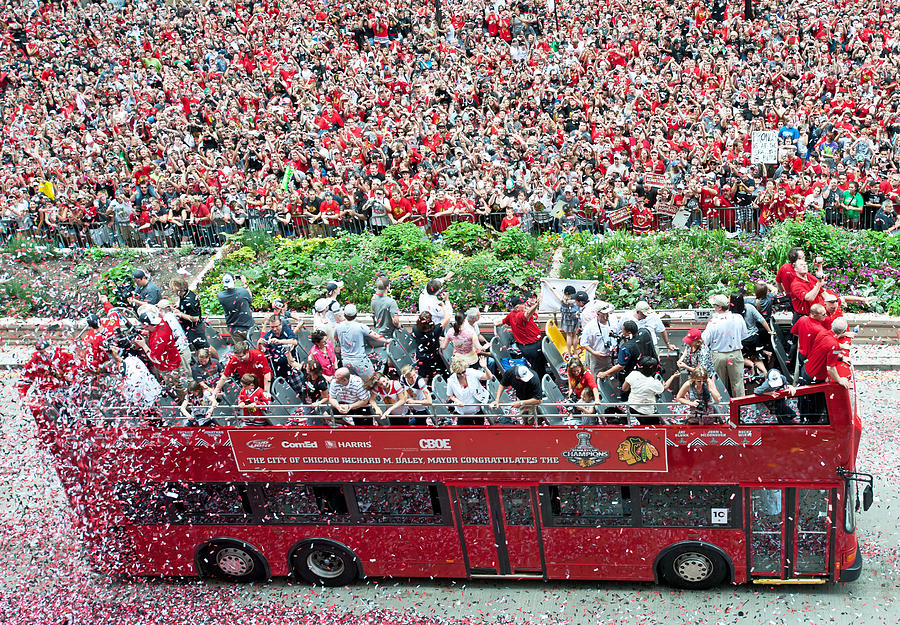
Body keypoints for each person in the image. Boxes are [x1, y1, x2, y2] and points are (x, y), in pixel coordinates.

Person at [133, 304, 185, 402]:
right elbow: (154, 330)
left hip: (168, 367)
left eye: (144, 326)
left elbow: (153, 358)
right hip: (173, 357)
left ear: (147, 325)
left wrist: (143, 345)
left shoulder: (158, 340)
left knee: (175, 387)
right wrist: (147, 332)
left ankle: (185, 406)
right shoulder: (161, 323)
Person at [702, 294, 749, 398]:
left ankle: (723, 409)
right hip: (735, 354)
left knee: (719, 385)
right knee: (738, 384)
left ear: (719, 307)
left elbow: (705, 340)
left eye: (714, 305)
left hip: (718, 356)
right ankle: (740, 409)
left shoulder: (713, 322)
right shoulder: (738, 318)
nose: (713, 307)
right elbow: (744, 335)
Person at [334, 303, 391, 380]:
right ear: (356, 314)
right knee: (371, 381)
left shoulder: (338, 326)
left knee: (352, 382)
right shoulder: (360, 326)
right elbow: (376, 336)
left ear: (344, 315)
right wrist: (387, 341)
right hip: (359, 360)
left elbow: (336, 338)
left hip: (346, 361)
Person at [499, 294, 547, 379]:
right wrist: (536, 304)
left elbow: (501, 322)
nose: (525, 304)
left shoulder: (511, 314)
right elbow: (528, 313)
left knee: (540, 365)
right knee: (537, 368)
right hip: (531, 347)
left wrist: (533, 306)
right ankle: (539, 385)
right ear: (517, 307)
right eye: (523, 304)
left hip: (530, 345)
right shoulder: (519, 315)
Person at [730, 292, 775, 376]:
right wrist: (769, 331)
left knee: (737, 358)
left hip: (742, 341)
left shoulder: (730, 314)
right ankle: (765, 373)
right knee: (756, 357)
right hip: (754, 338)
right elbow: (761, 320)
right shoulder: (750, 307)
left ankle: (751, 365)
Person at [258, 313, 303, 393]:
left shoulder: (286, 331)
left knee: (300, 389)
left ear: (281, 324)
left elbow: (294, 341)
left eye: (276, 326)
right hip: (278, 369)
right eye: (272, 327)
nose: (275, 329)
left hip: (292, 366)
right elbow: (262, 350)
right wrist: (260, 344)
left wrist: (279, 341)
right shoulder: (269, 335)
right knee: (284, 392)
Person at [446, 354, 493, 425]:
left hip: (478, 408)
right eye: (459, 373)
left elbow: (489, 377)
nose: (462, 375)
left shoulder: (471, 372)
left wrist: (485, 367)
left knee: (479, 429)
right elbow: (450, 395)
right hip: (463, 411)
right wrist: (457, 401)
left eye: (463, 372)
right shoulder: (451, 380)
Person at [169, 277, 211, 353]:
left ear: (178, 289)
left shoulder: (190, 300)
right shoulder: (184, 295)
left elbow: (195, 318)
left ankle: (217, 361)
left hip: (195, 328)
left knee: (205, 347)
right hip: (189, 327)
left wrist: (180, 314)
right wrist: (178, 308)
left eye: (173, 288)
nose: (172, 290)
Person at [579, 299, 617, 378]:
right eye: (604, 314)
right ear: (598, 314)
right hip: (598, 358)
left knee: (612, 376)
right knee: (596, 377)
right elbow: (583, 343)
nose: (607, 316)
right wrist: (594, 353)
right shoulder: (590, 326)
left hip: (612, 356)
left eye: (608, 313)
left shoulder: (613, 320)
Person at [542, 281, 580, 359]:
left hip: (566, 320)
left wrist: (546, 282)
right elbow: (585, 292)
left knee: (569, 336)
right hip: (574, 320)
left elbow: (553, 291)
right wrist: (592, 284)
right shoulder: (575, 301)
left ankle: (569, 353)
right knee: (575, 335)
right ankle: (575, 352)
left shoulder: (563, 300)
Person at [622, 356, 665, 425]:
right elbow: (662, 389)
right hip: (646, 412)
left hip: (632, 407)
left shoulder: (633, 374)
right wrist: (672, 377)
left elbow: (624, 388)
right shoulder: (654, 383)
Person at [413, 309, 450, 382]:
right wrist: (443, 305)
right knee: (438, 374)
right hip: (434, 358)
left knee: (424, 377)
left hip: (421, 357)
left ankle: (424, 391)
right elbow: (447, 318)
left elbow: (425, 337)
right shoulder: (436, 330)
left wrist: (437, 337)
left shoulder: (415, 329)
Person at [157, 299, 192, 374]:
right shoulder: (174, 315)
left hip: (180, 348)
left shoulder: (166, 320)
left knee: (187, 372)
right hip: (184, 344)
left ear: (161, 309)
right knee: (188, 368)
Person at [217, 273, 255, 340]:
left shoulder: (220, 296)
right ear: (234, 282)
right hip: (247, 326)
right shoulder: (243, 292)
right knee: (251, 347)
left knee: (239, 348)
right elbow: (250, 299)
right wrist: (245, 283)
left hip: (233, 329)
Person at [300, 360, 331, 426]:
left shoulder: (321, 382)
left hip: (316, 405)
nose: (306, 368)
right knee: (310, 422)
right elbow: (292, 363)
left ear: (312, 372)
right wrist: (288, 353)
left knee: (317, 422)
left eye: (308, 368)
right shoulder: (306, 373)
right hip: (306, 402)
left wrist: (318, 403)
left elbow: (326, 397)